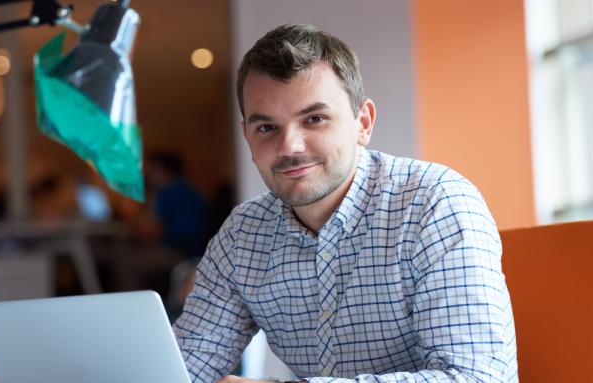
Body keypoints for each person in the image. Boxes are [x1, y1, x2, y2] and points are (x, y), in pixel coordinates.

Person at [172, 24, 517, 383]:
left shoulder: (435, 204)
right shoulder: (243, 236)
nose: (290, 146)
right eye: (267, 128)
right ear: (247, 135)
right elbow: (184, 370)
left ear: (362, 123)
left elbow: (478, 379)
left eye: (314, 119)